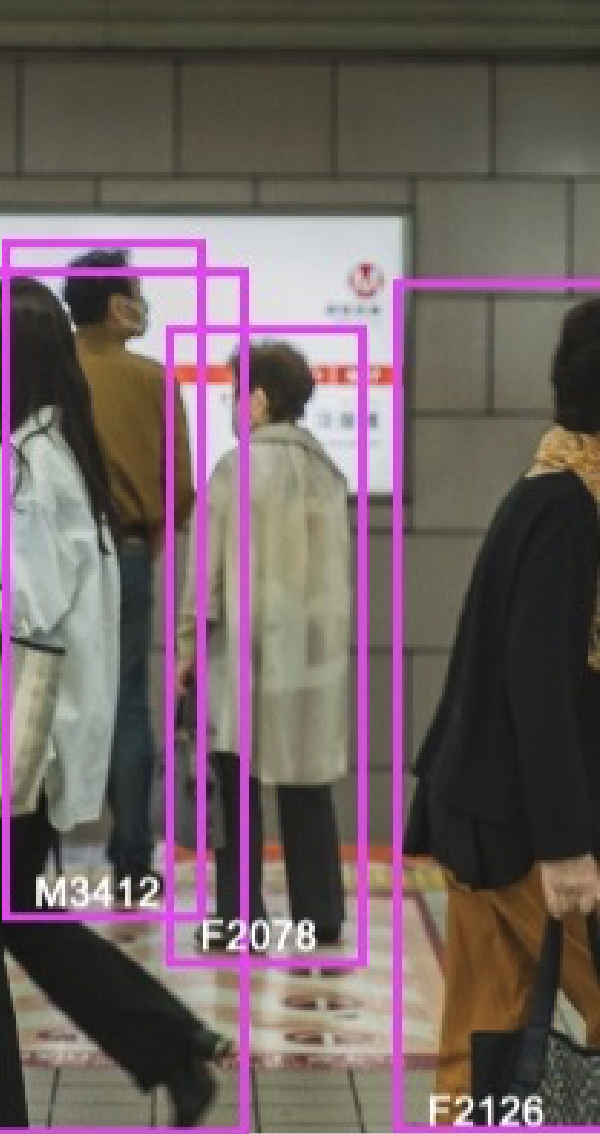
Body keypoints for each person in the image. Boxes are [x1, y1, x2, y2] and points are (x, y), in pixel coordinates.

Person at [0, 278, 229, 1128]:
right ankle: (172, 1047)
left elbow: (19, 614)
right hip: (39, 737)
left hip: (12, 738)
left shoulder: (24, 465)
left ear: (4, 356)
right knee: (10, 918)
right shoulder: (51, 451)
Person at [404, 296, 600, 1110]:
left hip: (487, 805)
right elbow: (533, 685)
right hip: (531, 826)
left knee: (485, 1042)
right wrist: (568, 848)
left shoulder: (557, 490)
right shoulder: (570, 510)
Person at [175, 343, 353, 950]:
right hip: (311, 654)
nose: (230, 406)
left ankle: (239, 918)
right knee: (306, 781)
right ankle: (320, 914)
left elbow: (206, 575)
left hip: (243, 653)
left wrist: (187, 645)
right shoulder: (329, 473)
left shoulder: (233, 469)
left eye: (232, 394)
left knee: (238, 781)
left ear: (258, 399)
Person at [64, 249, 196, 900]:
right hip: (128, 556)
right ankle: (134, 860)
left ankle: (31, 853)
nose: (143, 304)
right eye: (137, 293)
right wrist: (147, 541)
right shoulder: (152, 381)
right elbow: (179, 490)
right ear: (118, 306)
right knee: (128, 704)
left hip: (54, 562)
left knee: (41, 693)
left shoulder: (46, 372)